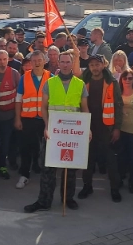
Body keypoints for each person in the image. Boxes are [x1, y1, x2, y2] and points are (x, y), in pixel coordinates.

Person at [24, 51, 89, 212]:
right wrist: (47, 126)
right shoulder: (50, 83)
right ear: (58, 63)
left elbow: (84, 109)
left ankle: (68, 198)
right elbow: (43, 108)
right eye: (63, 62)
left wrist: (87, 129)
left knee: (70, 168)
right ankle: (44, 201)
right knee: (48, 168)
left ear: (72, 63)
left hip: (72, 134)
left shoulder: (80, 84)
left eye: (68, 62)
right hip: (53, 132)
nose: (65, 65)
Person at [79, 55, 124, 202]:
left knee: (111, 160)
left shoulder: (111, 82)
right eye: (92, 65)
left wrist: (117, 128)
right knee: (88, 159)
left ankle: (114, 189)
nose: (95, 67)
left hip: (107, 128)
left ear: (103, 65)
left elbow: (118, 105)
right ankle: (87, 186)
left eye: (97, 64)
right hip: (89, 126)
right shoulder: (83, 81)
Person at [14, 51, 51, 189]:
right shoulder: (25, 77)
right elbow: (18, 99)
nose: (37, 63)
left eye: (39, 60)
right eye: (34, 60)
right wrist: (17, 118)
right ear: (31, 62)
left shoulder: (51, 77)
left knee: (46, 148)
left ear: (44, 61)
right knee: (26, 148)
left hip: (45, 119)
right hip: (28, 118)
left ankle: (47, 175)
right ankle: (24, 175)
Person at [0, 51, 21, 181]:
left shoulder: (14, 74)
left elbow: (19, 96)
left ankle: (2, 166)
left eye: (4, 59)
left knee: (5, 143)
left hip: (8, 116)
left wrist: (17, 116)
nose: (2, 62)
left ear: (8, 60)